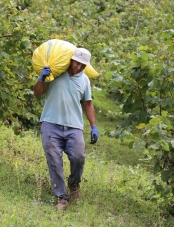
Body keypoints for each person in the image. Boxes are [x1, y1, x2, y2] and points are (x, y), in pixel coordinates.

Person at [33, 47, 99, 211]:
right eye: (77, 63)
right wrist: (41, 79)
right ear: (71, 59)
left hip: (74, 126)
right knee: (54, 160)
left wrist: (94, 126)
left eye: (82, 65)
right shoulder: (55, 73)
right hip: (50, 123)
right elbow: (37, 94)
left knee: (78, 157)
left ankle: (74, 184)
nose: (78, 67)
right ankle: (62, 197)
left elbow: (88, 103)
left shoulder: (84, 80)